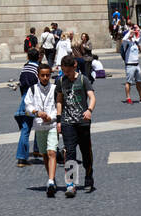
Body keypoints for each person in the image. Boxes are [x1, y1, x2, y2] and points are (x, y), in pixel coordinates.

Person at [56, 53, 96, 196]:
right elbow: (59, 100)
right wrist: (59, 120)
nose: (66, 74)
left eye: (68, 71)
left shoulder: (83, 79)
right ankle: (70, 184)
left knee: (86, 152)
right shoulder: (61, 81)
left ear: (74, 66)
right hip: (67, 122)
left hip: (83, 122)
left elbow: (92, 97)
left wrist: (89, 110)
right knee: (70, 152)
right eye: (63, 71)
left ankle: (89, 176)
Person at [24, 62, 61, 197]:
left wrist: (51, 117)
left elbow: (59, 105)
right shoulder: (33, 89)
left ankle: (50, 181)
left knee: (52, 152)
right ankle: (51, 177)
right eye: (42, 75)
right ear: (38, 76)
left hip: (51, 124)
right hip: (39, 126)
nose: (45, 78)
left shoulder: (56, 88)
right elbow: (27, 106)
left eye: (47, 75)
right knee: (45, 154)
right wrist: (36, 112)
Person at [14, 47, 39, 165]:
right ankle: (38, 150)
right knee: (41, 125)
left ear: (28, 57)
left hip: (25, 99)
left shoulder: (24, 69)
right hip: (36, 100)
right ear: (38, 57)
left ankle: (21, 158)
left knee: (25, 129)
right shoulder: (37, 69)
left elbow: (21, 84)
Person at [120, 25, 141, 104]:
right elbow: (124, 39)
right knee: (129, 82)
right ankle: (128, 98)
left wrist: (138, 30)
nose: (132, 34)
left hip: (137, 64)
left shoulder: (135, 41)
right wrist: (130, 32)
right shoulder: (126, 43)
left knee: (138, 81)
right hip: (129, 65)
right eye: (131, 33)